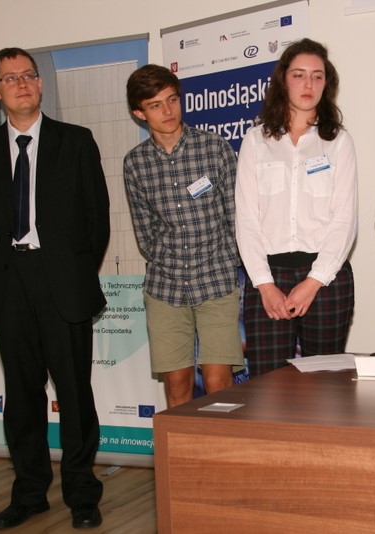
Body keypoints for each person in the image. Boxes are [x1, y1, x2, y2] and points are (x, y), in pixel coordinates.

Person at [0, 48, 109, 529]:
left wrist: (71, 270)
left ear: (40, 84)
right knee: (22, 396)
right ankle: (28, 493)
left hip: (62, 283)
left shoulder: (76, 141)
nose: (22, 83)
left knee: (74, 393)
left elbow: (97, 221)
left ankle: (82, 494)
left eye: (29, 75)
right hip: (8, 284)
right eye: (10, 78)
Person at [235, 38, 358, 376]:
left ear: (327, 84)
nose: (308, 84)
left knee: (325, 389)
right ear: (283, 80)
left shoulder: (338, 141)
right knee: (268, 387)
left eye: (318, 76)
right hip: (267, 279)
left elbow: (344, 219)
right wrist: (264, 284)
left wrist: (314, 281)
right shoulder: (256, 141)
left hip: (327, 279)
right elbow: (246, 219)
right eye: (299, 75)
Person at [123, 65, 244, 407]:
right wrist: (169, 261)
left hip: (216, 280)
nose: (168, 110)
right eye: (156, 105)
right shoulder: (135, 163)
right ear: (139, 113)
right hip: (166, 287)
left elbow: (236, 217)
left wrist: (226, 262)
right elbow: (145, 231)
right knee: (178, 384)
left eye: (172, 99)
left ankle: (220, 445)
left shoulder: (214, 148)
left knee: (219, 382)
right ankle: (182, 445)